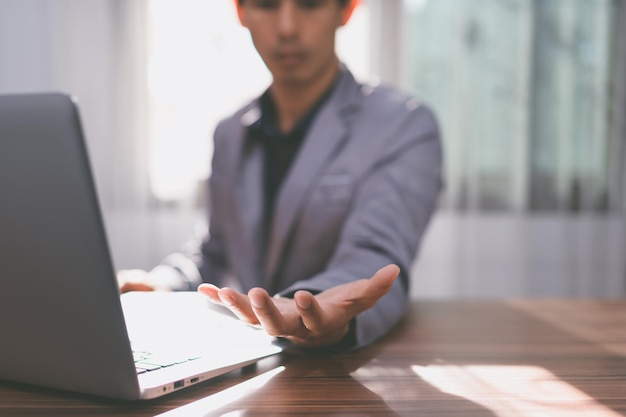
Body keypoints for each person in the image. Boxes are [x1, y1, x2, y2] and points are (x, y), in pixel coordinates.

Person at [118, 0, 443, 351]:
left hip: (343, 375)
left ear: (345, 10)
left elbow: (375, 254)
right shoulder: (230, 133)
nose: (287, 27)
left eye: (310, 3)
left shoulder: (404, 125)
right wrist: (161, 285)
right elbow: (215, 251)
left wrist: (314, 303)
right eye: (267, 4)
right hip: (246, 366)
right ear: (241, 13)